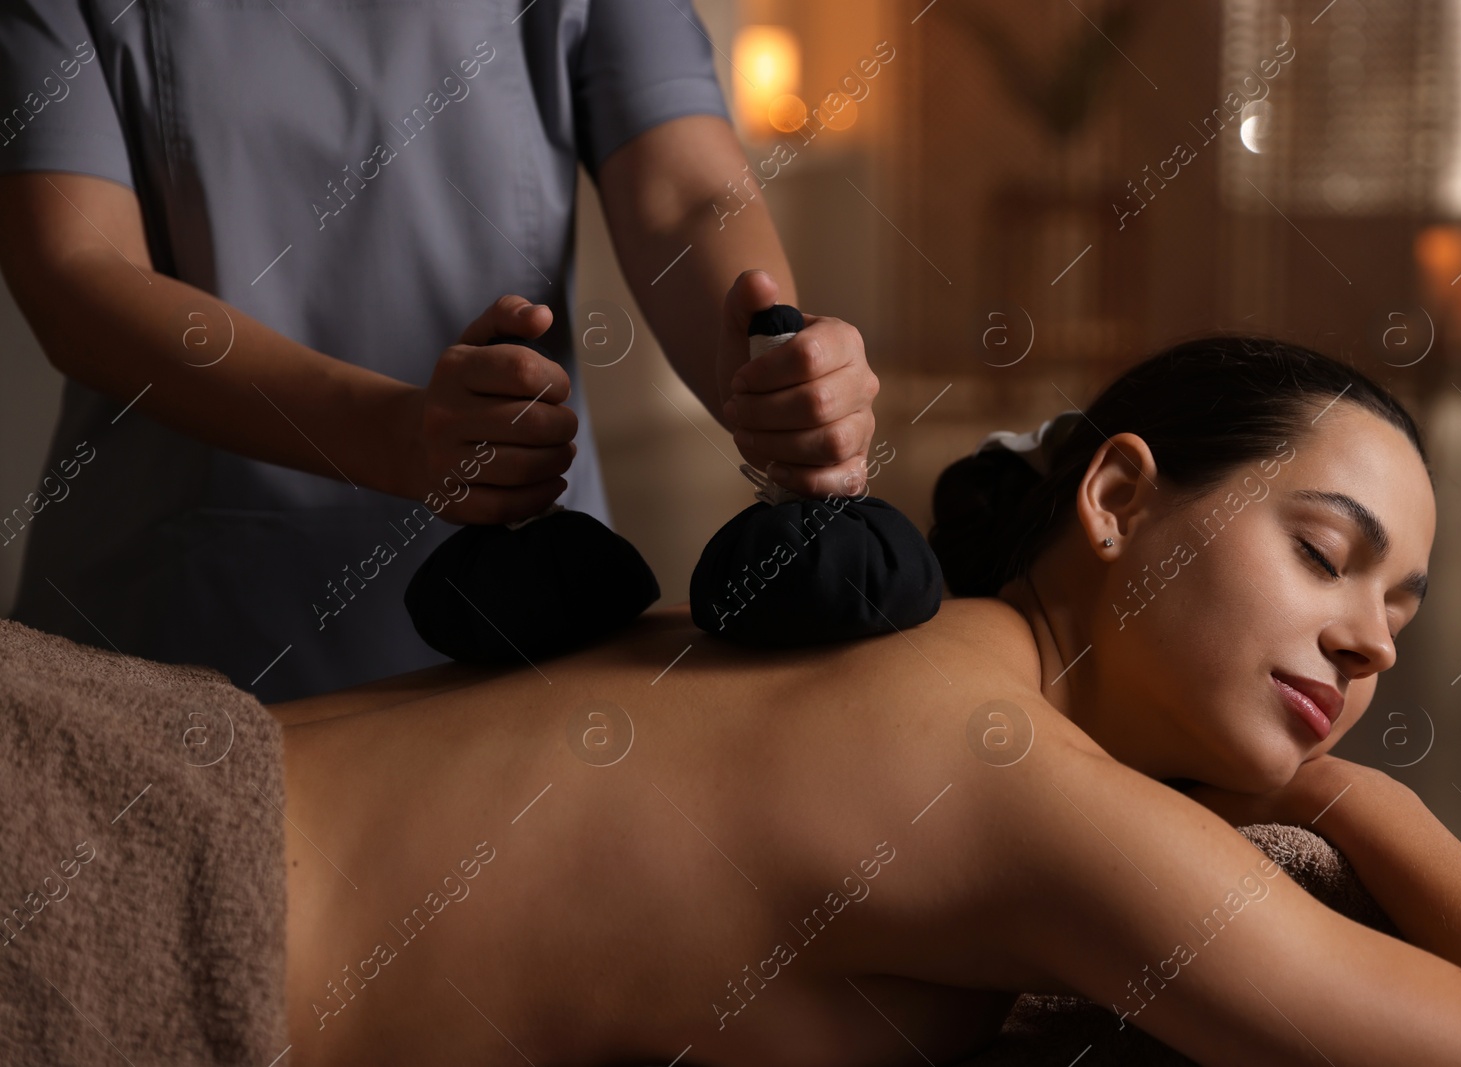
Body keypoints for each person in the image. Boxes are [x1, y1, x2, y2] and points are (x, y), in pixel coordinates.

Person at [267, 337, 1461, 1065]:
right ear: (1119, 499)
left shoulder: (917, 655)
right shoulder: (1019, 778)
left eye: (1401, 613)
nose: (1368, 643)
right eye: (1324, 553)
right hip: (145, 876)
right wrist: (1366, 802)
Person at [0, 1, 875, 702]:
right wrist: (397, 437)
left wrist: (765, 358)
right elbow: (75, 267)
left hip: (523, 615)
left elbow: (686, 195)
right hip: (173, 634)